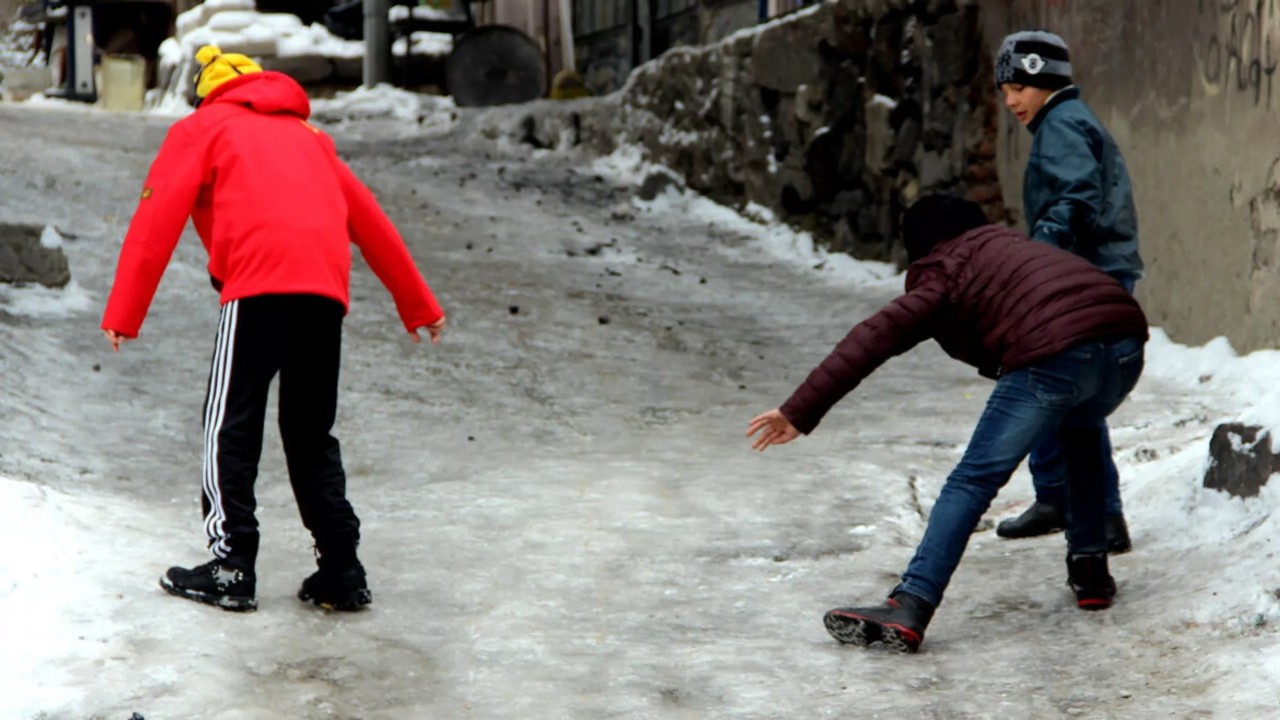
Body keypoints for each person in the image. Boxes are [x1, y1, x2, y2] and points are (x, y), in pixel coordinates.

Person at [101, 45, 447, 612]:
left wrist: (124, 313)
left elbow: (154, 219)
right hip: (324, 295)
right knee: (311, 435)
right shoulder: (311, 139)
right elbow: (372, 221)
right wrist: (419, 304)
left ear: (207, 91)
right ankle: (342, 567)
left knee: (228, 426)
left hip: (258, 284)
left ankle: (232, 565)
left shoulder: (202, 127)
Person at [746, 195, 1147, 653]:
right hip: (1124, 342)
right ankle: (1091, 567)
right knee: (1081, 427)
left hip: (1056, 353)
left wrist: (799, 410)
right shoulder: (1011, 249)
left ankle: (912, 602)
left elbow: (874, 336)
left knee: (973, 478)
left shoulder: (945, 271)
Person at [994, 29, 1144, 553]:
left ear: (1043, 78)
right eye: (1004, 90)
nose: (1010, 100)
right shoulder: (1068, 121)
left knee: (1068, 395)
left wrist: (1042, 262)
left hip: (1086, 278)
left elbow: (1076, 196)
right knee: (1066, 395)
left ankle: (1096, 515)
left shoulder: (1060, 125)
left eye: (1018, 86)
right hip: (1095, 274)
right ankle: (1066, 499)